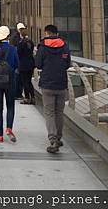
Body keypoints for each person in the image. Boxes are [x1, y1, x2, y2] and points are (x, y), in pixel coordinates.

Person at [35, 24, 71, 154]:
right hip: (61, 83)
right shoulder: (64, 46)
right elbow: (68, 64)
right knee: (59, 112)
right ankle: (59, 137)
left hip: (47, 83)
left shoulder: (43, 47)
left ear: (47, 33)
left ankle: (53, 139)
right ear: (56, 33)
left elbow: (38, 64)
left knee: (49, 112)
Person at [0, 25, 19, 143]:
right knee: (10, 105)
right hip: (10, 80)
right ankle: (9, 128)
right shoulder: (12, 49)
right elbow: (17, 64)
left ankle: (0, 135)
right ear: (7, 36)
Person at [17, 27, 36, 105]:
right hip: (31, 63)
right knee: (29, 81)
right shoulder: (30, 42)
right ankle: (33, 97)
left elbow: (19, 53)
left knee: (25, 82)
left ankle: (27, 98)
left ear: (21, 34)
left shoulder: (21, 43)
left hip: (23, 64)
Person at [10, 23, 26, 100]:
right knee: (17, 77)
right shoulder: (15, 38)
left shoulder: (23, 38)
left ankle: (19, 93)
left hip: (22, 60)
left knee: (20, 78)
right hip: (17, 60)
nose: (21, 30)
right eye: (20, 29)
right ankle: (16, 93)